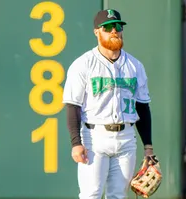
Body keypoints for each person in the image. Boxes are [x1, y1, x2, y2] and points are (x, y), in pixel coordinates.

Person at [62, 9, 154, 199]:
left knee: (119, 195)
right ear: (97, 32)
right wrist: (76, 143)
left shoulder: (135, 66)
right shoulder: (83, 64)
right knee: (91, 194)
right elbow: (72, 106)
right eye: (108, 27)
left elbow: (142, 107)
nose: (114, 31)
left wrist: (148, 146)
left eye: (118, 26)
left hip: (127, 138)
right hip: (94, 138)